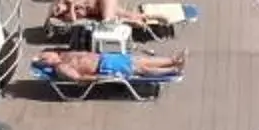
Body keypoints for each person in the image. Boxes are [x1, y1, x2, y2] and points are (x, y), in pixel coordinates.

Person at [33, 47, 184, 79]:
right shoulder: (61, 67)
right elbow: (78, 78)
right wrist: (100, 78)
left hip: (105, 58)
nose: (51, 54)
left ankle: (173, 60)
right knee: (140, 68)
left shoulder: (64, 55)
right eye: (46, 56)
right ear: (47, 62)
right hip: (104, 67)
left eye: (48, 52)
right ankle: (173, 70)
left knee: (139, 59)